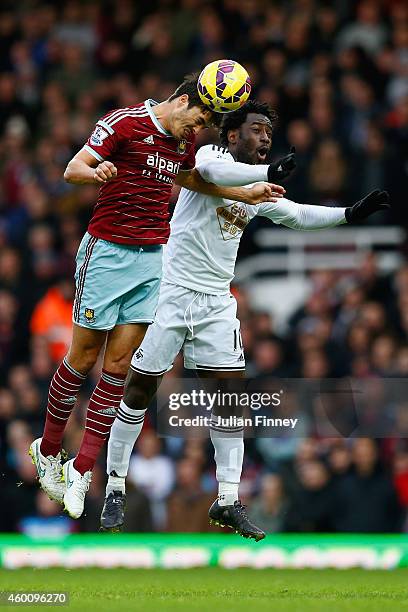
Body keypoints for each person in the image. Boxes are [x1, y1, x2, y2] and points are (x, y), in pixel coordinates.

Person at [101, 100, 390, 539]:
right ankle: (116, 485)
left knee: (232, 399)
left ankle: (229, 500)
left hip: (217, 301)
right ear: (232, 134)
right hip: (172, 292)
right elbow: (218, 178)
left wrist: (348, 215)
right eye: (257, 130)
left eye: (269, 134)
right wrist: (267, 174)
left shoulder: (256, 185)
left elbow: (296, 215)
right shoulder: (207, 160)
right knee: (140, 388)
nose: (265, 140)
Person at [28, 74, 284, 520]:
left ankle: (83, 467)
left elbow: (190, 180)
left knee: (119, 366)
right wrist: (97, 172)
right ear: (182, 101)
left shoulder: (182, 145)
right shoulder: (124, 123)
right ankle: (48, 450)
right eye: (198, 119)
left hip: (152, 260)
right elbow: (73, 169)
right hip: (107, 253)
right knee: (83, 357)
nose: (197, 131)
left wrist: (240, 192)